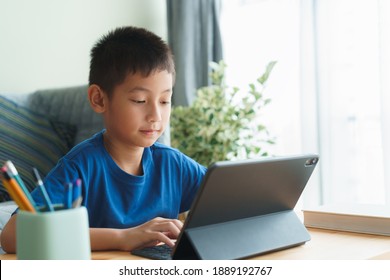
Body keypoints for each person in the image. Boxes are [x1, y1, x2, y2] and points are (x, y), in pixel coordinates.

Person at [1, 26, 207, 253]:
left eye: (165, 101)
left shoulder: (173, 164)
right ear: (99, 99)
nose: (155, 116)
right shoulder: (81, 166)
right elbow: (11, 236)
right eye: (140, 101)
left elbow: (232, 200)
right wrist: (124, 237)